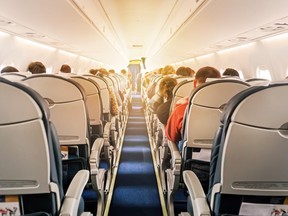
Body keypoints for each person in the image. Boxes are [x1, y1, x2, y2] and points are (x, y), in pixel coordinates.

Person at [165, 66, 221, 150]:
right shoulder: (232, 111)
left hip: (193, 160)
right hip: (224, 159)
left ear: (195, 83)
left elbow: (171, 136)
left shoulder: (182, 108)